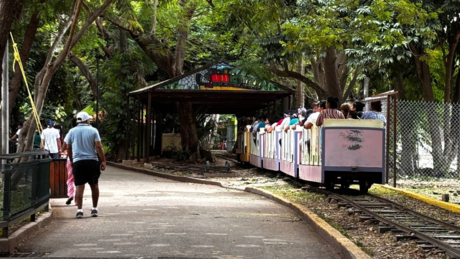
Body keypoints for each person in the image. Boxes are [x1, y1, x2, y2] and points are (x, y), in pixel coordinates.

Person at [64, 111, 106, 218]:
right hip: (92, 161)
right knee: (94, 185)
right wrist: (103, 160)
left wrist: (72, 160)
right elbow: (99, 146)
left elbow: (68, 147)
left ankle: (79, 210)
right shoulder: (93, 130)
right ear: (86, 120)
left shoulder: (72, 131)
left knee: (79, 186)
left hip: (78, 161)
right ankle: (94, 208)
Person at [61, 119, 77, 205]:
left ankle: (70, 195)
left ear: (71, 125)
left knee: (70, 179)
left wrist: (63, 150)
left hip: (71, 159)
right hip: (82, 160)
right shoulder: (88, 131)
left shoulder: (70, 133)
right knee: (79, 180)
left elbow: (64, 147)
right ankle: (78, 199)